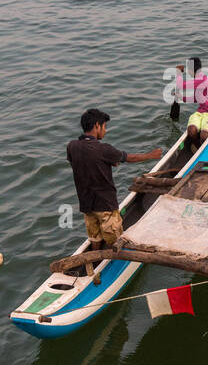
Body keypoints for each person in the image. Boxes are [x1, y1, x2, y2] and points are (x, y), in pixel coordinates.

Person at [67, 109, 161, 276]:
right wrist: (150, 155)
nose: (105, 130)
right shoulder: (104, 149)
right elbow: (129, 158)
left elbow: (81, 163)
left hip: (87, 205)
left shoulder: (72, 146)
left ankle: (94, 263)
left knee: (95, 238)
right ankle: (114, 268)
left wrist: (103, 164)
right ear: (97, 126)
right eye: (104, 126)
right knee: (115, 240)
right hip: (105, 205)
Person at [174, 59, 208, 154]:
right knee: (191, 130)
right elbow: (198, 98)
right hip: (201, 113)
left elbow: (180, 85)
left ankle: (203, 147)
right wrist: (183, 98)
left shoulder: (201, 80)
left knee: (204, 135)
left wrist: (178, 72)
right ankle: (197, 145)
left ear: (191, 70)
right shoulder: (199, 80)